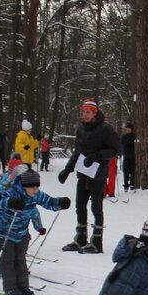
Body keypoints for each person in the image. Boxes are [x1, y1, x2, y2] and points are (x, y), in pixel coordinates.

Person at [0, 168, 69, 295]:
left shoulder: (36, 194)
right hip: (6, 231)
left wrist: (60, 203)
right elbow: (0, 203)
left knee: (21, 260)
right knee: (9, 260)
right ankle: (11, 287)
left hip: (21, 232)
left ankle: (23, 286)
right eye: (32, 187)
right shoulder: (12, 192)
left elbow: (48, 202)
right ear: (24, 186)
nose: (35, 190)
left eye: (37, 187)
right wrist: (11, 202)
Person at [58, 99, 119, 253]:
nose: (85, 115)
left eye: (88, 112)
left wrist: (98, 156)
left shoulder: (105, 129)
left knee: (96, 207)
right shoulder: (81, 129)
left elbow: (116, 150)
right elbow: (78, 153)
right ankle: (80, 238)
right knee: (80, 205)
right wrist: (67, 170)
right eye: (83, 112)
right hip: (83, 172)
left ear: (94, 113)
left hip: (98, 174)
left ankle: (97, 241)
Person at [120, 123, 136, 190]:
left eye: (129, 129)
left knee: (133, 171)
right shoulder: (123, 137)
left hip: (133, 156)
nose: (128, 130)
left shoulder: (135, 136)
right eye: (127, 129)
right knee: (126, 172)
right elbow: (124, 143)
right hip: (126, 156)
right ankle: (126, 185)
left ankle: (132, 184)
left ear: (132, 130)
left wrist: (133, 138)